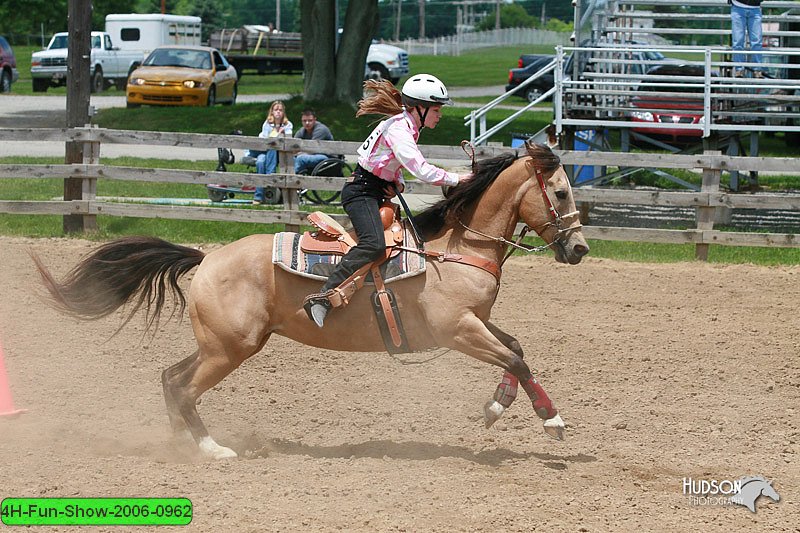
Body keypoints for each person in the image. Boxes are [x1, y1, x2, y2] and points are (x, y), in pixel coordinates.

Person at [303, 74, 472, 327]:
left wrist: (395, 180)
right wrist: (458, 179)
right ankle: (323, 296)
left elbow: (389, 162)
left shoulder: (404, 126)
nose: (440, 115)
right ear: (420, 108)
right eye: (436, 109)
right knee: (373, 244)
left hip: (373, 189)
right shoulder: (399, 130)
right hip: (362, 193)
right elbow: (422, 170)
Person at [250, 100, 293, 204]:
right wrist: (277, 135)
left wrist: (280, 135)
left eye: (280, 110)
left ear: (284, 112)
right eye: (276, 109)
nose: (278, 112)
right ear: (272, 112)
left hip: (279, 154)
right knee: (260, 162)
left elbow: (288, 139)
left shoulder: (287, 125)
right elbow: (265, 140)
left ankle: (270, 176)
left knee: (274, 147)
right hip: (264, 151)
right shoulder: (267, 124)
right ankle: (258, 196)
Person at [730, 0, 765, 78]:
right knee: (738, 41)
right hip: (738, 6)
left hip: (755, 7)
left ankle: (757, 69)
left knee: (757, 41)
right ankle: (739, 69)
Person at [293, 109, 334, 174]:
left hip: (327, 157)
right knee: (291, 158)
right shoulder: (302, 130)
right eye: (304, 121)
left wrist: (299, 153)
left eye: (310, 120)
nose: (307, 123)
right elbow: (293, 145)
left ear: (315, 120)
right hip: (311, 154)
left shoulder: (320, 129)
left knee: (300, 159)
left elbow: (312, 148)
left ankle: (293, 179)